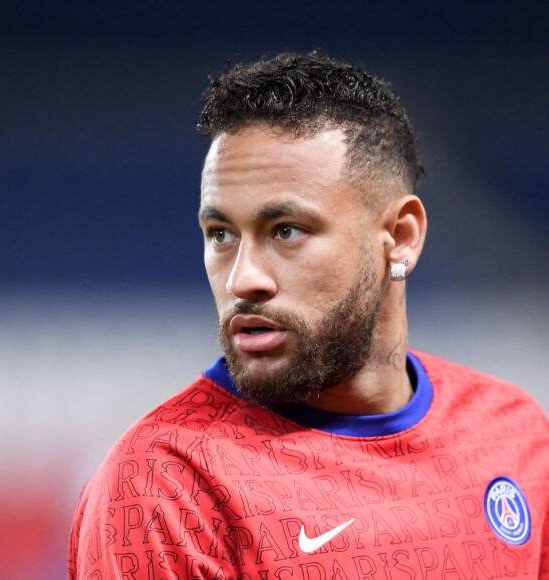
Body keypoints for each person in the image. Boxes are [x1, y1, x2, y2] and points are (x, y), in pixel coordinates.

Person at [68, 51, 549, 579]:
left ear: (401, 237)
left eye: (286, 230)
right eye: (221, 234)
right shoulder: (167, 483)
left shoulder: (513, 434)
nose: (242, 278)